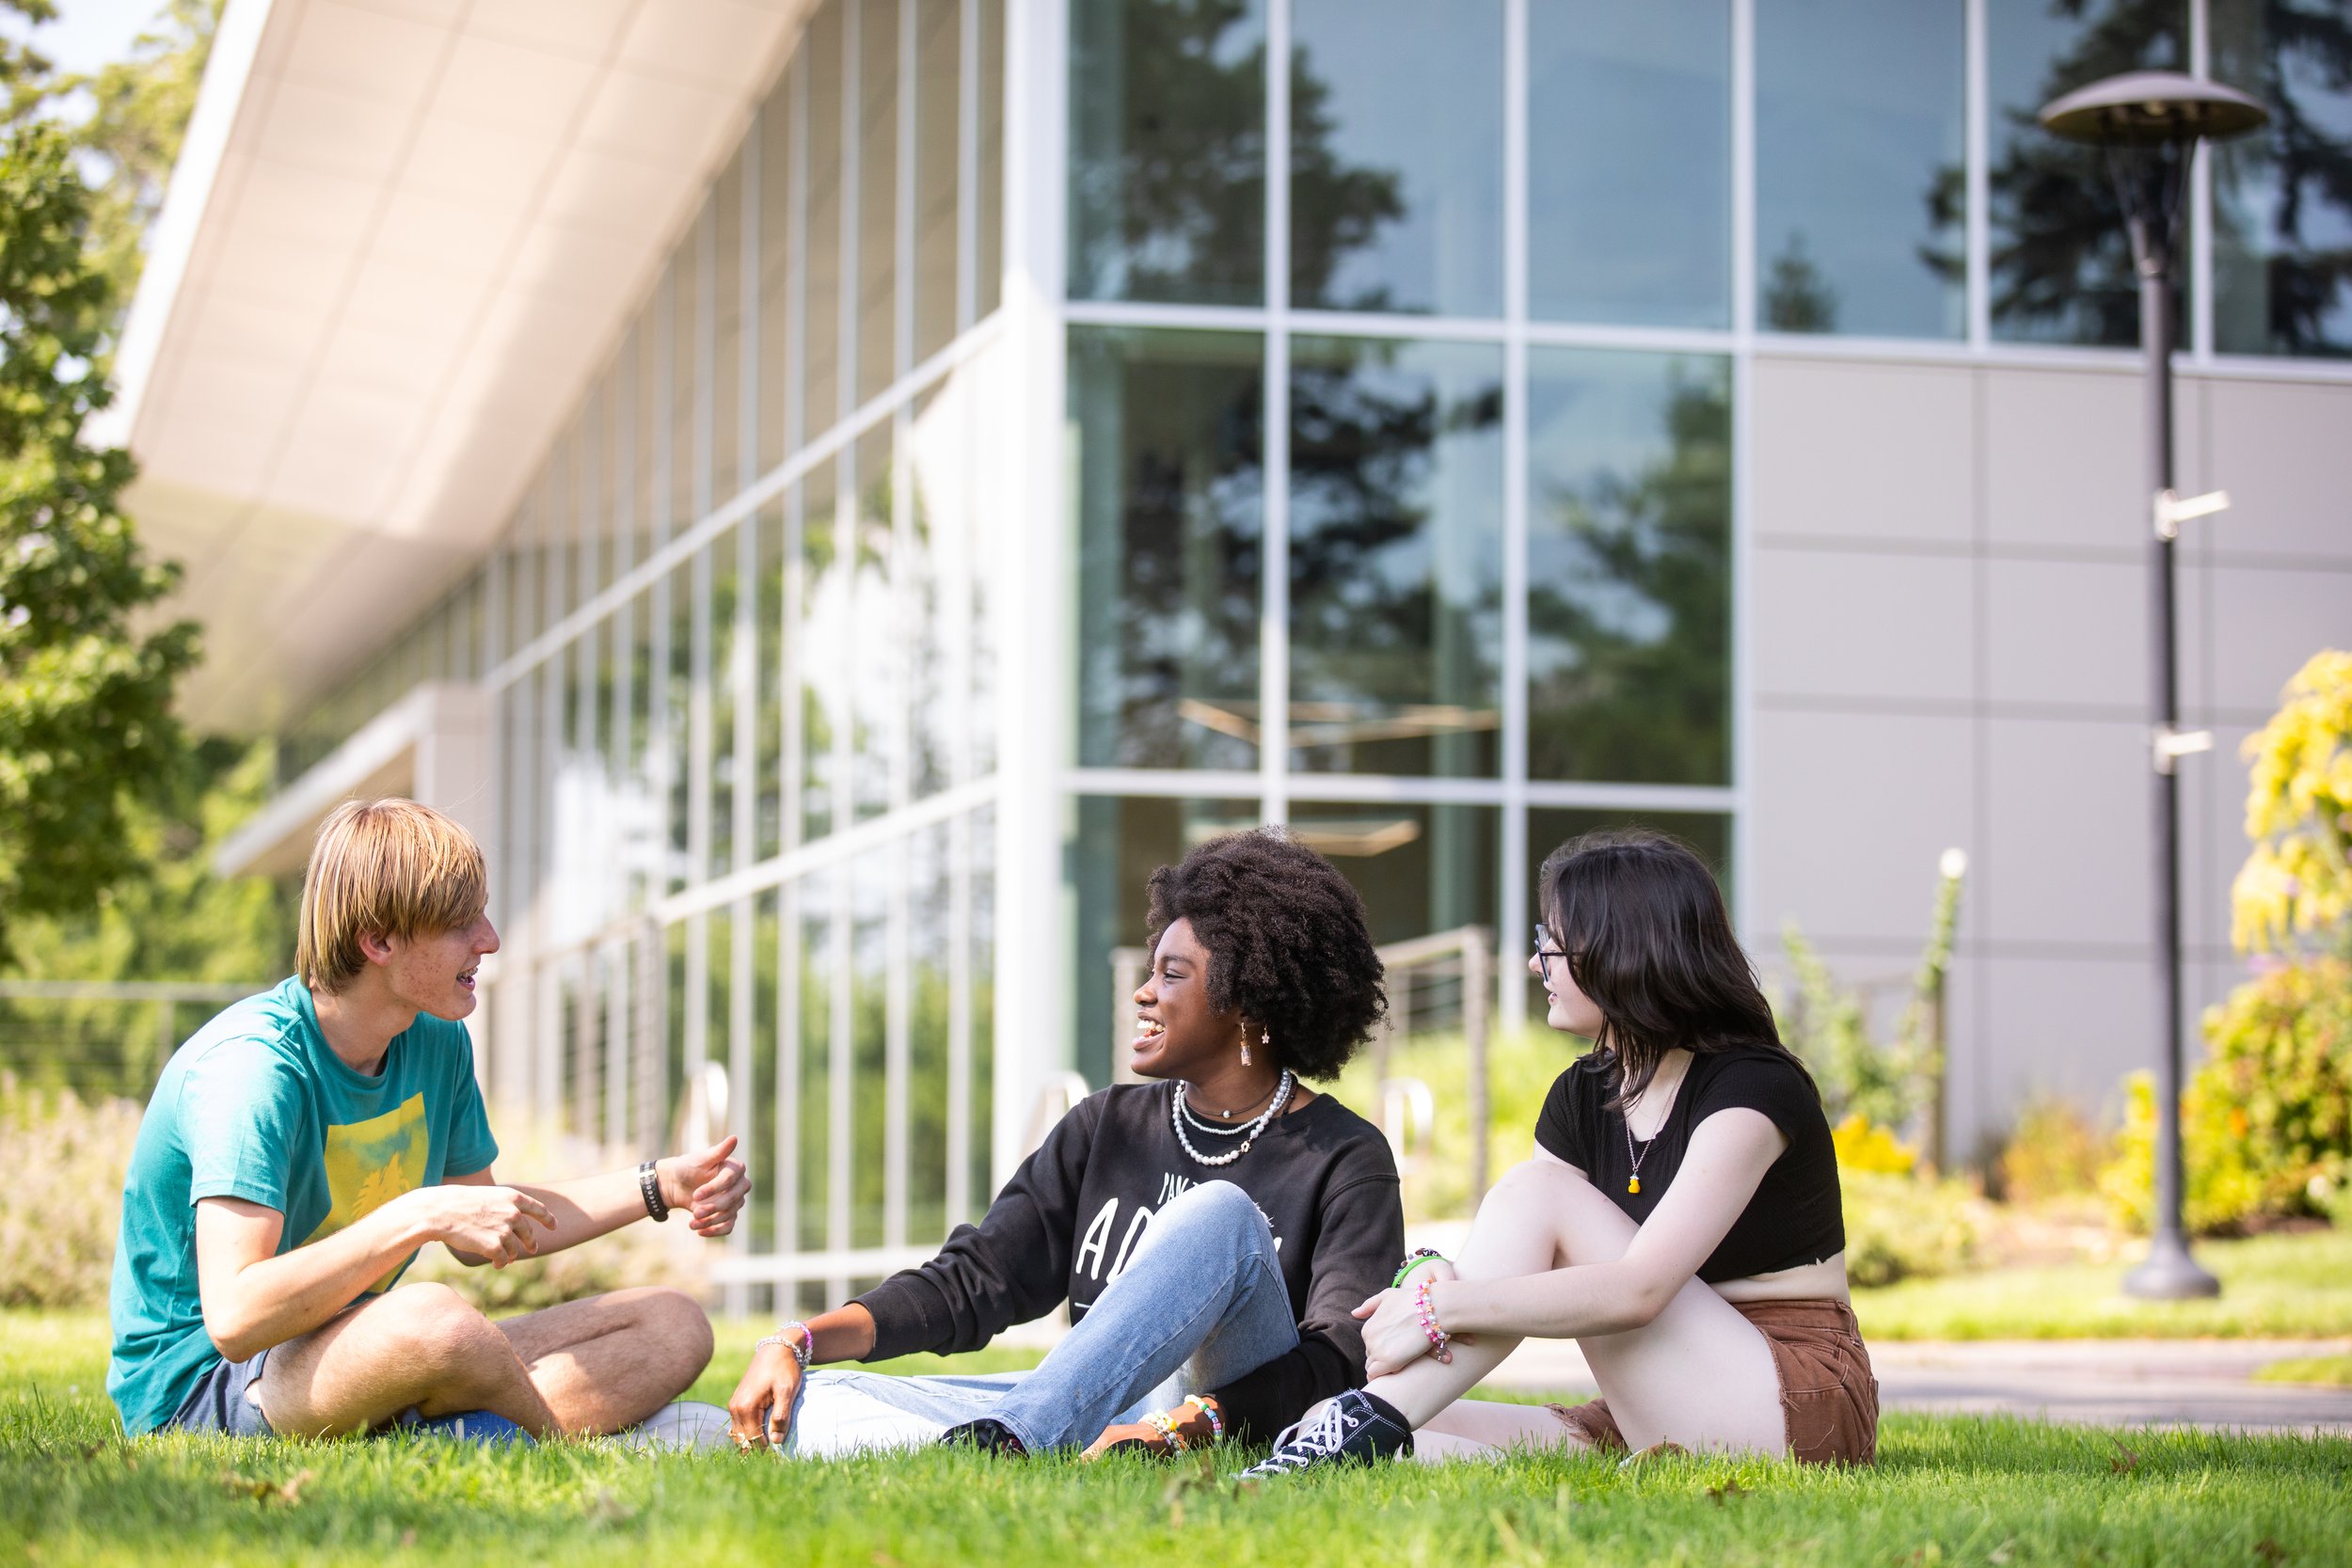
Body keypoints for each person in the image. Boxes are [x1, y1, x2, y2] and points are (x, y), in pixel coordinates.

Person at [723, 828, 1403, 1460]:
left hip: (1227, 1417)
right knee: (819, 1398)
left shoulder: (1345, 1157)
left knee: (1221, 1212)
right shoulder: (1105, 1125)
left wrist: (1187, 1424)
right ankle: (1023, 1437)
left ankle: (1015, 1440)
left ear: (1248, 999)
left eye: (1172, 974)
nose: (1143, 993)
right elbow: (975, 1280)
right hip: (1084, 1408)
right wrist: (800, 1338)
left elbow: (1341, 1358)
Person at [107, 799, 751, 1441]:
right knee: (432, 1321)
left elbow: (481, 1229)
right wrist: (419, 1213)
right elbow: (237, 1315)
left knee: (673, 1322)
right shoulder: (252, 1071)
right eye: (460, 923)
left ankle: (457, 1431)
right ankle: (552, 1436)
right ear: (378, 939)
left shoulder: (434, 1040)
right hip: (208, 1390)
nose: (490, 940)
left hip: (360, 1348)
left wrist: (660, 1184)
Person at [1245, 827, 1876, 1476]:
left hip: (1794, 1397)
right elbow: (1520, 1252)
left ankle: (1361, 1425)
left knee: (1536, 1190)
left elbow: (1640, 1289)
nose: (1534, 962)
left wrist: (1441, 1308)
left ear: (1621, 951)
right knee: (1348, 1424)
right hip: (1657, 1396)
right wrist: (1429, 1273)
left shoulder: (1751, 1088)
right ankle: (1350, 1429)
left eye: (1550, 943)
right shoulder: (1584, 1092)